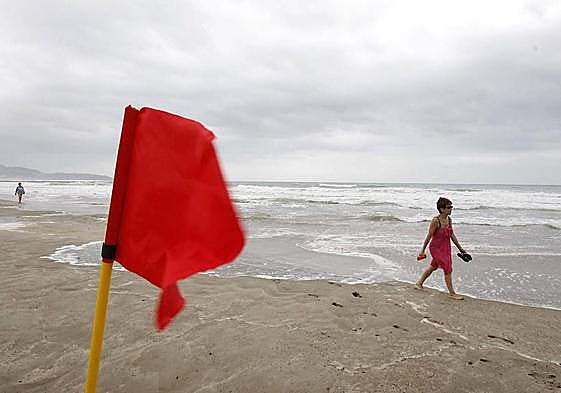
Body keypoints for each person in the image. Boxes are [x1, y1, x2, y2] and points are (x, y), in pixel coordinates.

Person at [416, 197, 467, 300]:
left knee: (433, 266)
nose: (451, 209)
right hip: (436, 248)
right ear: (442, 209)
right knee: (447, 267)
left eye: (451, 207)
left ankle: (419, 283)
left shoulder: (449, 219)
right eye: (449, 207)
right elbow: (429, 236)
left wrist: (460, 249)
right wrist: (422, 250)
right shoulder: (436, 221)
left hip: (446, 248)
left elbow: (452, 235)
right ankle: (452, 293)